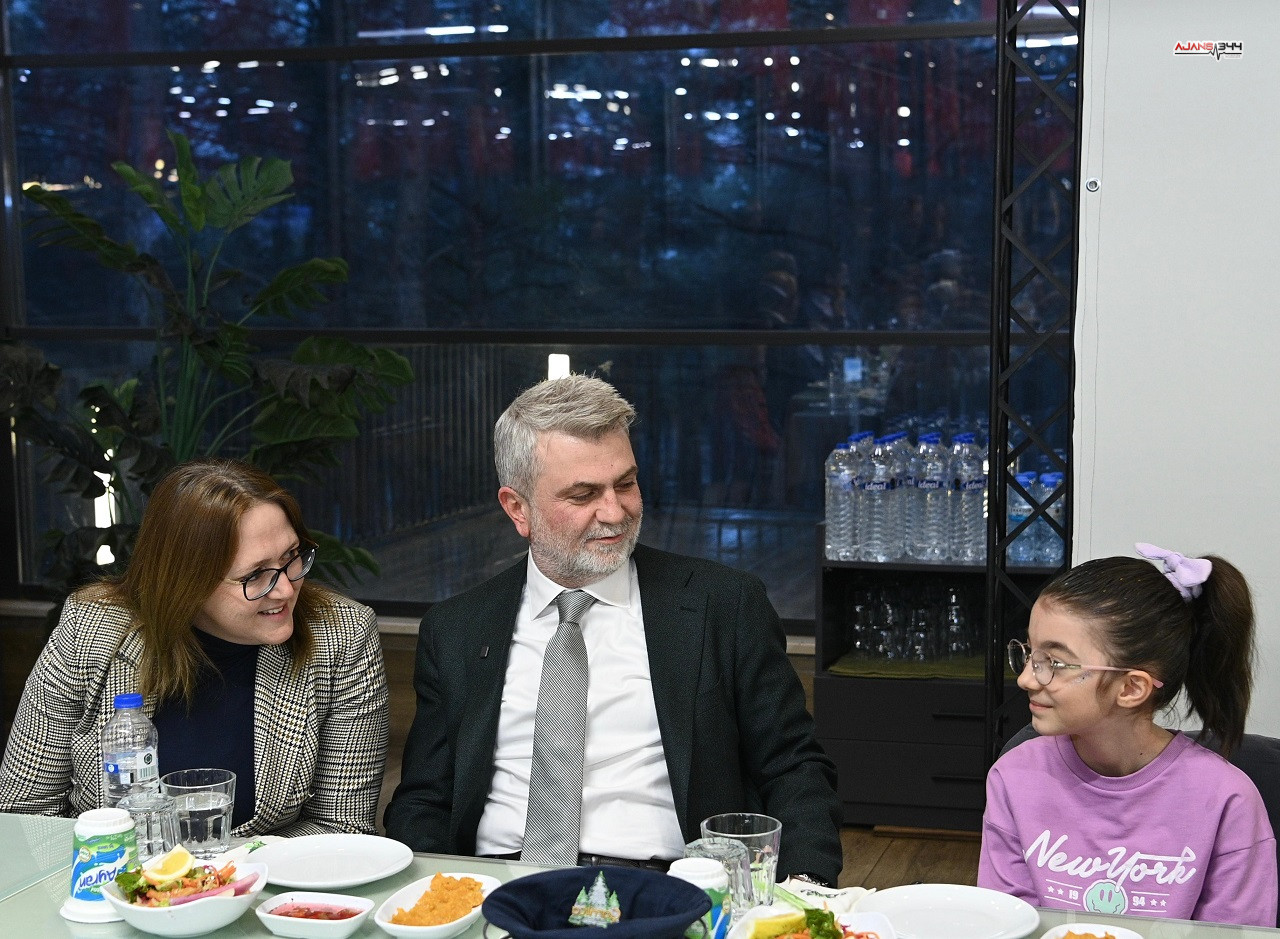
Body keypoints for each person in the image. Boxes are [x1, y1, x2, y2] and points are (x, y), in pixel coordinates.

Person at [384, 375, 842, 885]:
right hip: (496, 885)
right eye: (583, 494)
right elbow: (424, 800)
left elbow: (794, 767)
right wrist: (427, 900)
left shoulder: (723, 606)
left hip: (667, 887)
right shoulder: (457, 630)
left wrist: (806, 889)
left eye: (625, 484)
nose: (615, 511)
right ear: (518, 509)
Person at [0, 458, 389, 837]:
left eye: (292, 557)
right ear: (187, 582)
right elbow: (22, 815)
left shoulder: (341, 635)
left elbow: (342, 828)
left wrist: (223, 870)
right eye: (255, 575)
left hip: (268, 878)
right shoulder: (92, 628)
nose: (286, 589)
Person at [979, 543, 1277, 926]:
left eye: (1054, 662)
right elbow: (1007, 922)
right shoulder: (1014, 776)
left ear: (1131, 688)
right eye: (1030, 653)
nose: (1025, 679)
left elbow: (1234, 933)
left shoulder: (1227, 799)